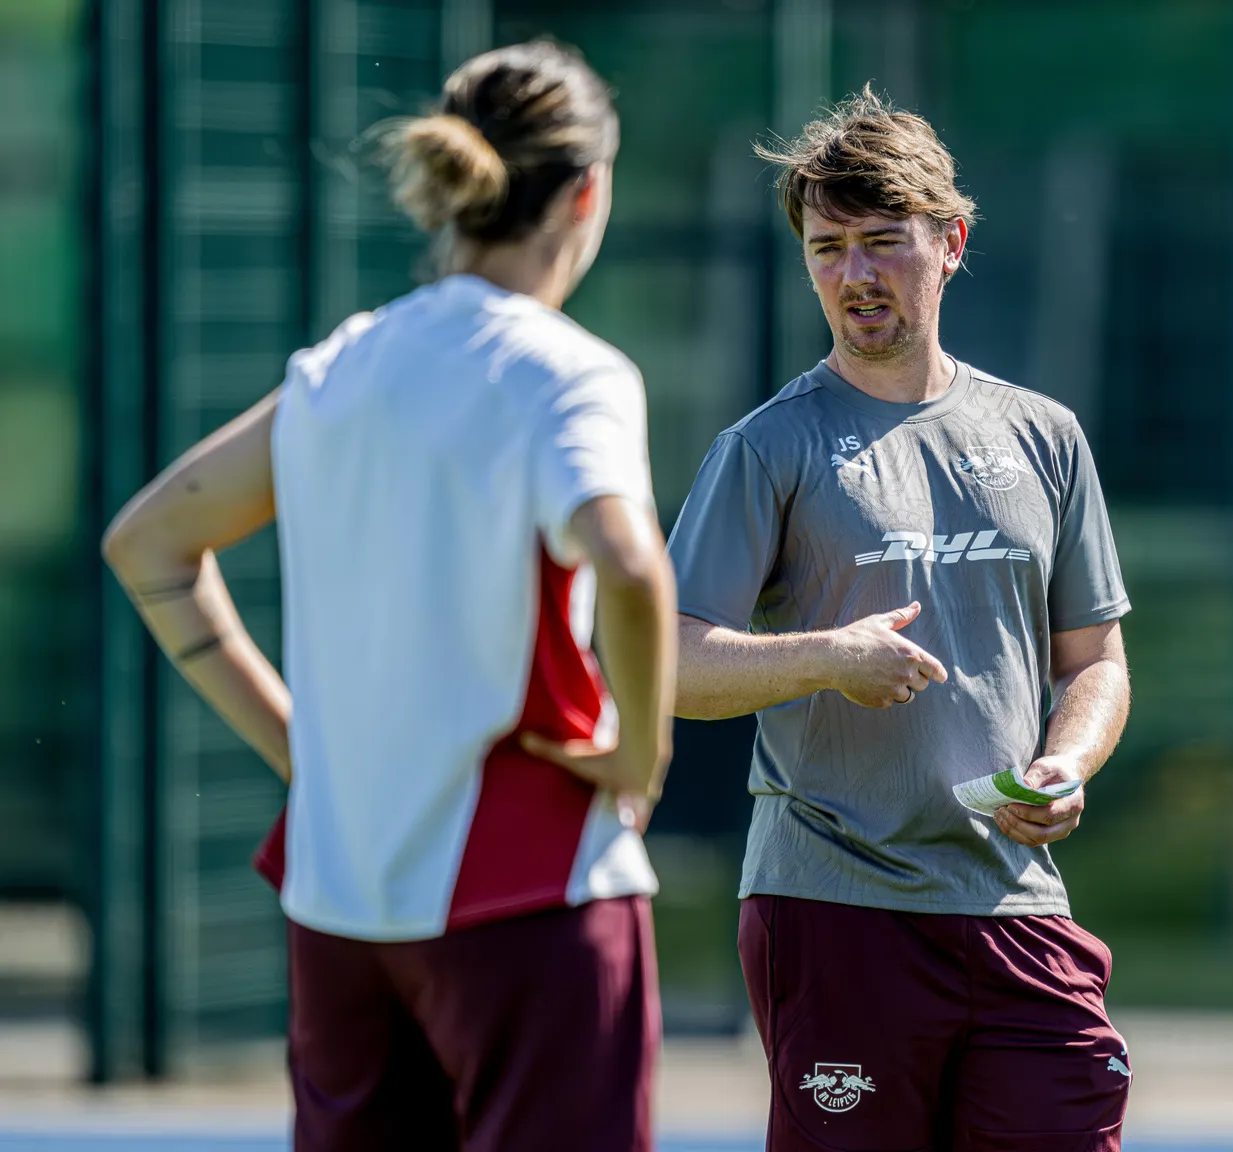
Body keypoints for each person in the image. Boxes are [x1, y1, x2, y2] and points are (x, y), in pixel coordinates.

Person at [101, 41, 677, 1152]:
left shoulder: (338, 368)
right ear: (587, 195)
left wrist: (298, 752)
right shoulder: (568, 371)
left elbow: (148, 544)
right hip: (529, 895)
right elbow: (630, 562)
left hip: (338, 904)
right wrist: (637, 754)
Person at [664, 86, 1134, 1151]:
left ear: (951, 243)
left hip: (1016, 902)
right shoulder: (766, 447)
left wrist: (1067, 763)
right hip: (834, 906)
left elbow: (1095, 658)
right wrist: (828, 657)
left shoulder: (1044, 434)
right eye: (827, 248)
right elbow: (673, 668)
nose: (855, 276)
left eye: (883, 243)